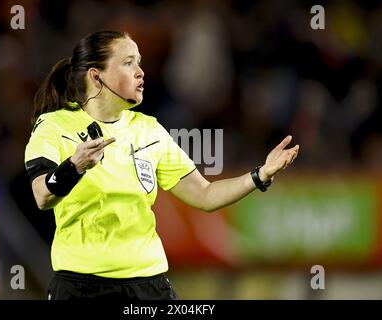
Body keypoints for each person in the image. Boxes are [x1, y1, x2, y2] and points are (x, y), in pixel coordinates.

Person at [24, 30, 299, 300]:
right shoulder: (54, 126)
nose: (140, 72)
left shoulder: (148, 130)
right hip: (81, 285)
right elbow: (42, 196)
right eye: (128, 62)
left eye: (139, 62)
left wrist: (260, 174)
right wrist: (74, 166)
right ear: (96, 76)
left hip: (148, 283)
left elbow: (205, 195)